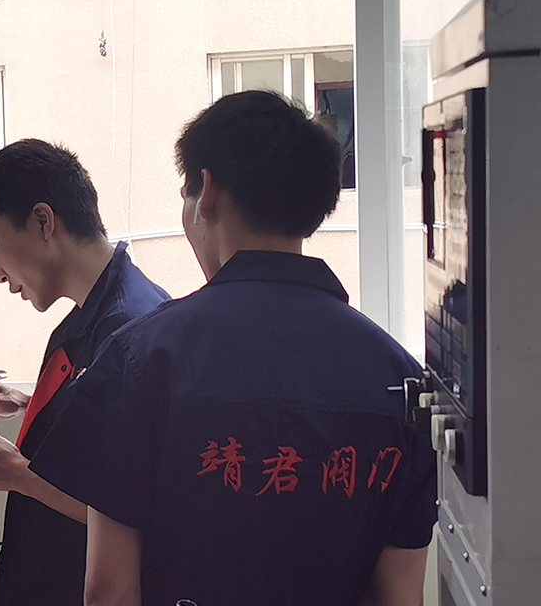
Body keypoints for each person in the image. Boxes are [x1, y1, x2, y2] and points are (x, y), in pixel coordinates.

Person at [29, 91, 435, 606]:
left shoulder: (142, 360)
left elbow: (110, 592)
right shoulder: (401, 381)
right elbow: (399, 597)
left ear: (208, 191)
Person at [0, 139, 169, 606]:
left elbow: (141, 511)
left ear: (43, 221)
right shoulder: (85, 320)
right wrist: (25, 403)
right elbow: (99, 424)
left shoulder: (133, 330)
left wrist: (19, 476)